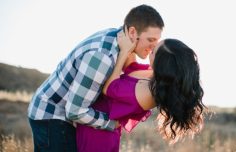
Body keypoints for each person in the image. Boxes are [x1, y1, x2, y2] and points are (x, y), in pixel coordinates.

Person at [27, 4, 164, 152]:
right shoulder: (102, 58)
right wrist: (112, 124)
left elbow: (130, 69)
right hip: (53, 116)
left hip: (59, 112)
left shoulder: (119, 39)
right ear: (132, 32)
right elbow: (74, 111)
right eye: (151, 39)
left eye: (157, 40)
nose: (154, 46)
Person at [76, 29, 205, 152]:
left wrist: (123, 52)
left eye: (154, 50)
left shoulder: (149, 94)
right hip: (89, 121)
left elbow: (108, 89)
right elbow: (130, 67)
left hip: (97, 137)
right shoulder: (152, 74)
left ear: (162, 65)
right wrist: (134, 38)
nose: (150, 49)